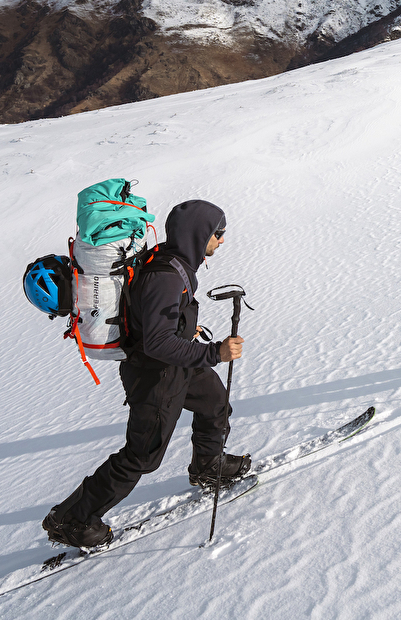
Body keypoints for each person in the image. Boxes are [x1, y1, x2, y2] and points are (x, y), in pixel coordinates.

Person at [42, 199, 251, 548]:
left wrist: (191, 336)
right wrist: (214, 352)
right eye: (219, 233)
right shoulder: (166, 277)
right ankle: (70, 519)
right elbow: (156, 342)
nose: (222, 240)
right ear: (200, 234)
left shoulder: (174, 262)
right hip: (155, 377)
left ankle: (207, 464)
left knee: (215, 402)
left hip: (178, 365)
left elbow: (161, 324)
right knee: (141, 457)